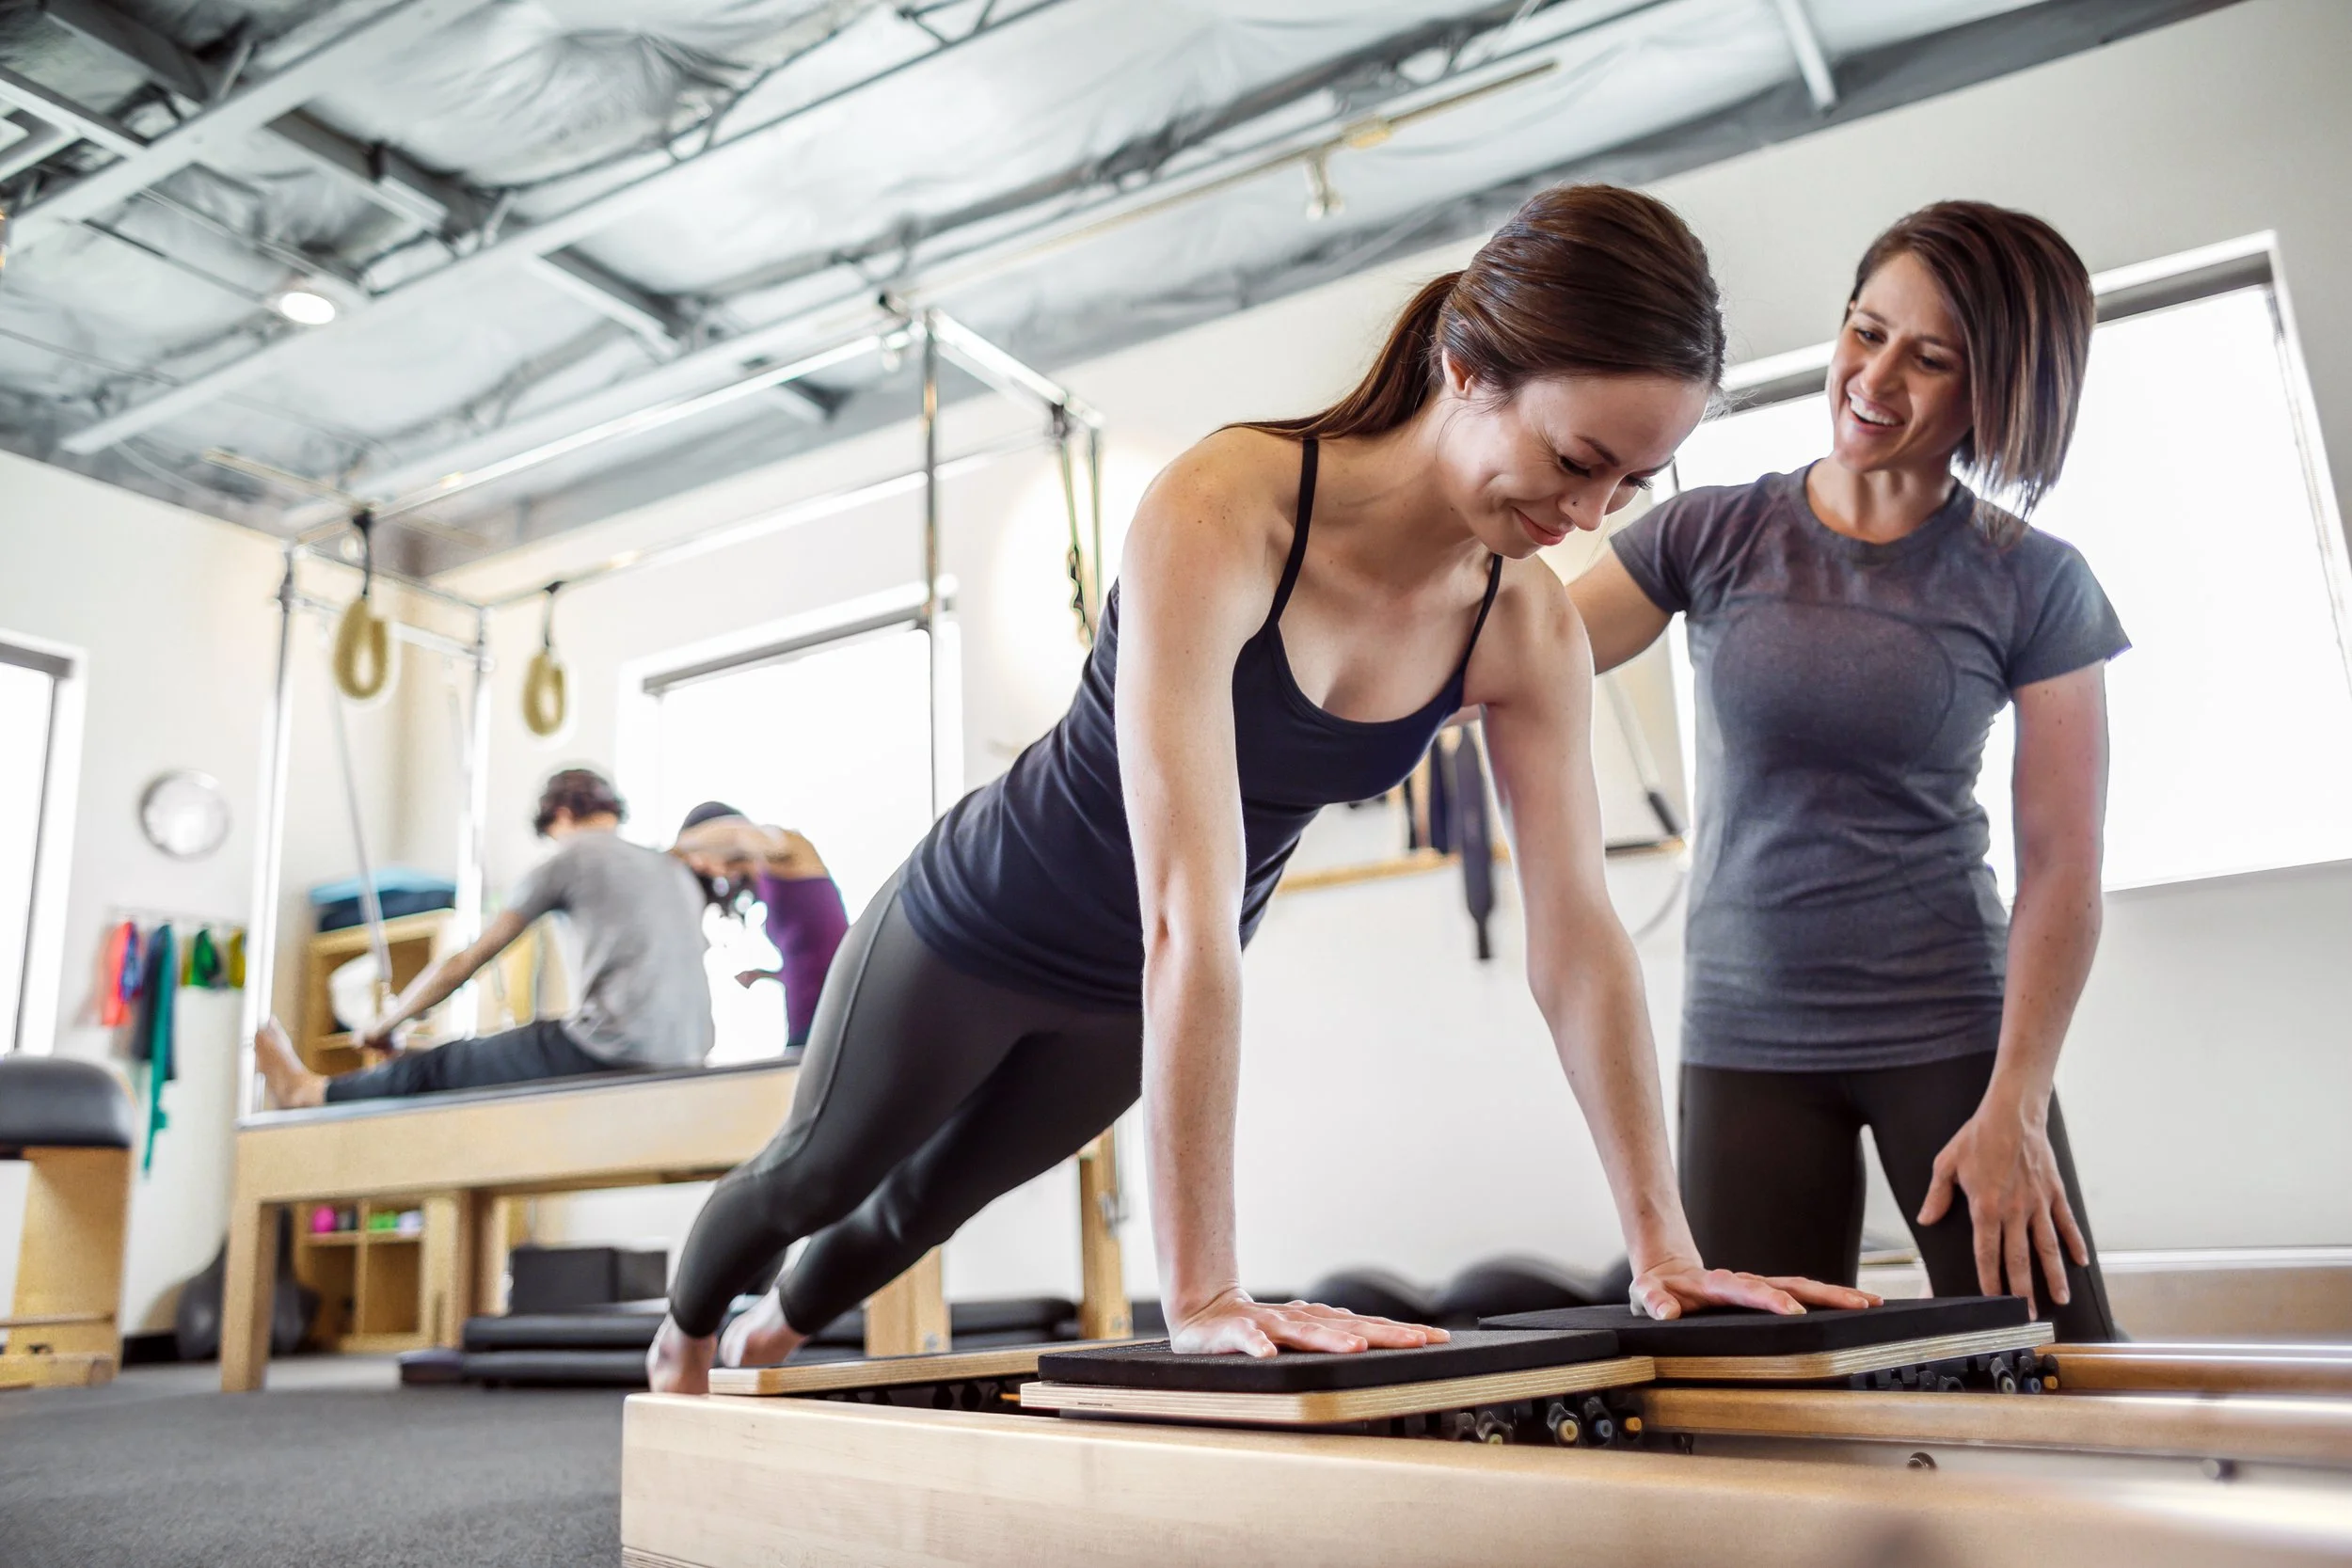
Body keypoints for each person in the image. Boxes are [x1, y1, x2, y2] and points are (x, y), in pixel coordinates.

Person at [648, 183, 1876, 1394]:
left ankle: (780, 1334)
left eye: (1629, 485)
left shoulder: (1525, 628)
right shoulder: (1227, 506)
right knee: (812, 1176)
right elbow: (1182, 903)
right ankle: (688, 1333)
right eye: (1574, 459)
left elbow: (1577, 930)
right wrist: (1204, 1290)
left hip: (1125, 998)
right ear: (1466, 367)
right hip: (980, 921)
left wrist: (1664, 1247)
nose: (1585, 514)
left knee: (916, 1212)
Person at [1569, 200, 2125, 1339]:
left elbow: (2063, 863)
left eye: (1929, 358)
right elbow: (1516, 650)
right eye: (1864, 331)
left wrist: (2016, 1098)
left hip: (1956, 1041)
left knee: (2053, 1371)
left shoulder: (2037, 582)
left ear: (1996, 389)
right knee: (1749, 1403)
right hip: (1743, 1040)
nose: (1874, 377)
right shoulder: (1710, 535)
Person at [255, 768, 716, 1106]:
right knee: (477, 1058)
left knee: (445, 1066)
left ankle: (309, 1091)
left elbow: (470, 959)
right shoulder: (669, 867)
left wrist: (387, 1023)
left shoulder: (570, 859)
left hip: (612, 1048)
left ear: (559, 815)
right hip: (690, 1054)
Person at [672, 802, 850, 1054]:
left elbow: (741, 835)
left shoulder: (793, 851)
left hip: (835, 1018)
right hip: (808, 1020)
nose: (699, 865)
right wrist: (768, 974)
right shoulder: (768, 880)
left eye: (698, 854)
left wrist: (676, 848)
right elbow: (816, 953)